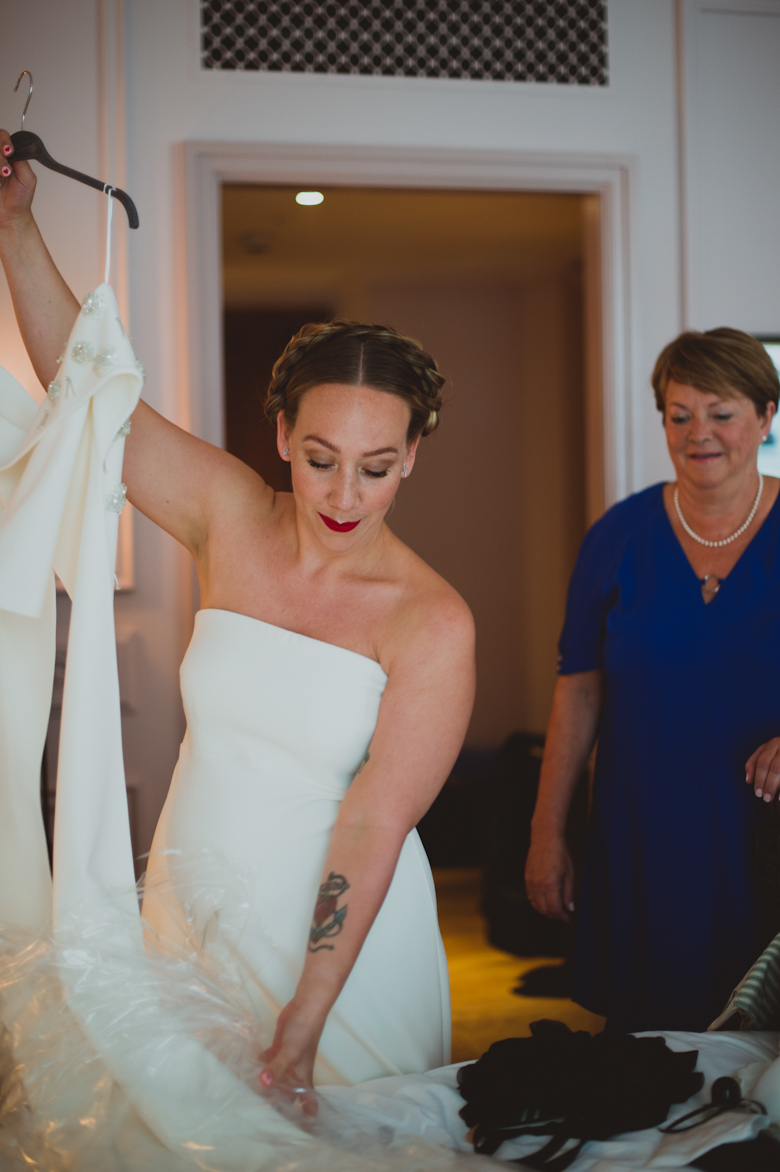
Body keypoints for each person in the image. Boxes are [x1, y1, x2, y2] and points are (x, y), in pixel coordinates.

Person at [0, 129, 475, 1095]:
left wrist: (308, 1014)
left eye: (378, 468)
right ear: (281, 436)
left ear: (412, 456)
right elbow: (89, 397)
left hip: (339, 956)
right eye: (319, 458)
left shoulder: (432, 622)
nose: (345, 493)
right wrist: (14, 226)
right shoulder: (228, 514)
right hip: (191, 911)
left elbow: (375, 823)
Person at [525, 327, 780, 1033]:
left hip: (763, 841)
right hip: (644, 838)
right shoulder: (617, 535)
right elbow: (577, 687)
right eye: (679, 414)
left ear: (764, 417)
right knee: (650, 1056)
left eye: (721, 413)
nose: (700, 434)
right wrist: (548, 832)